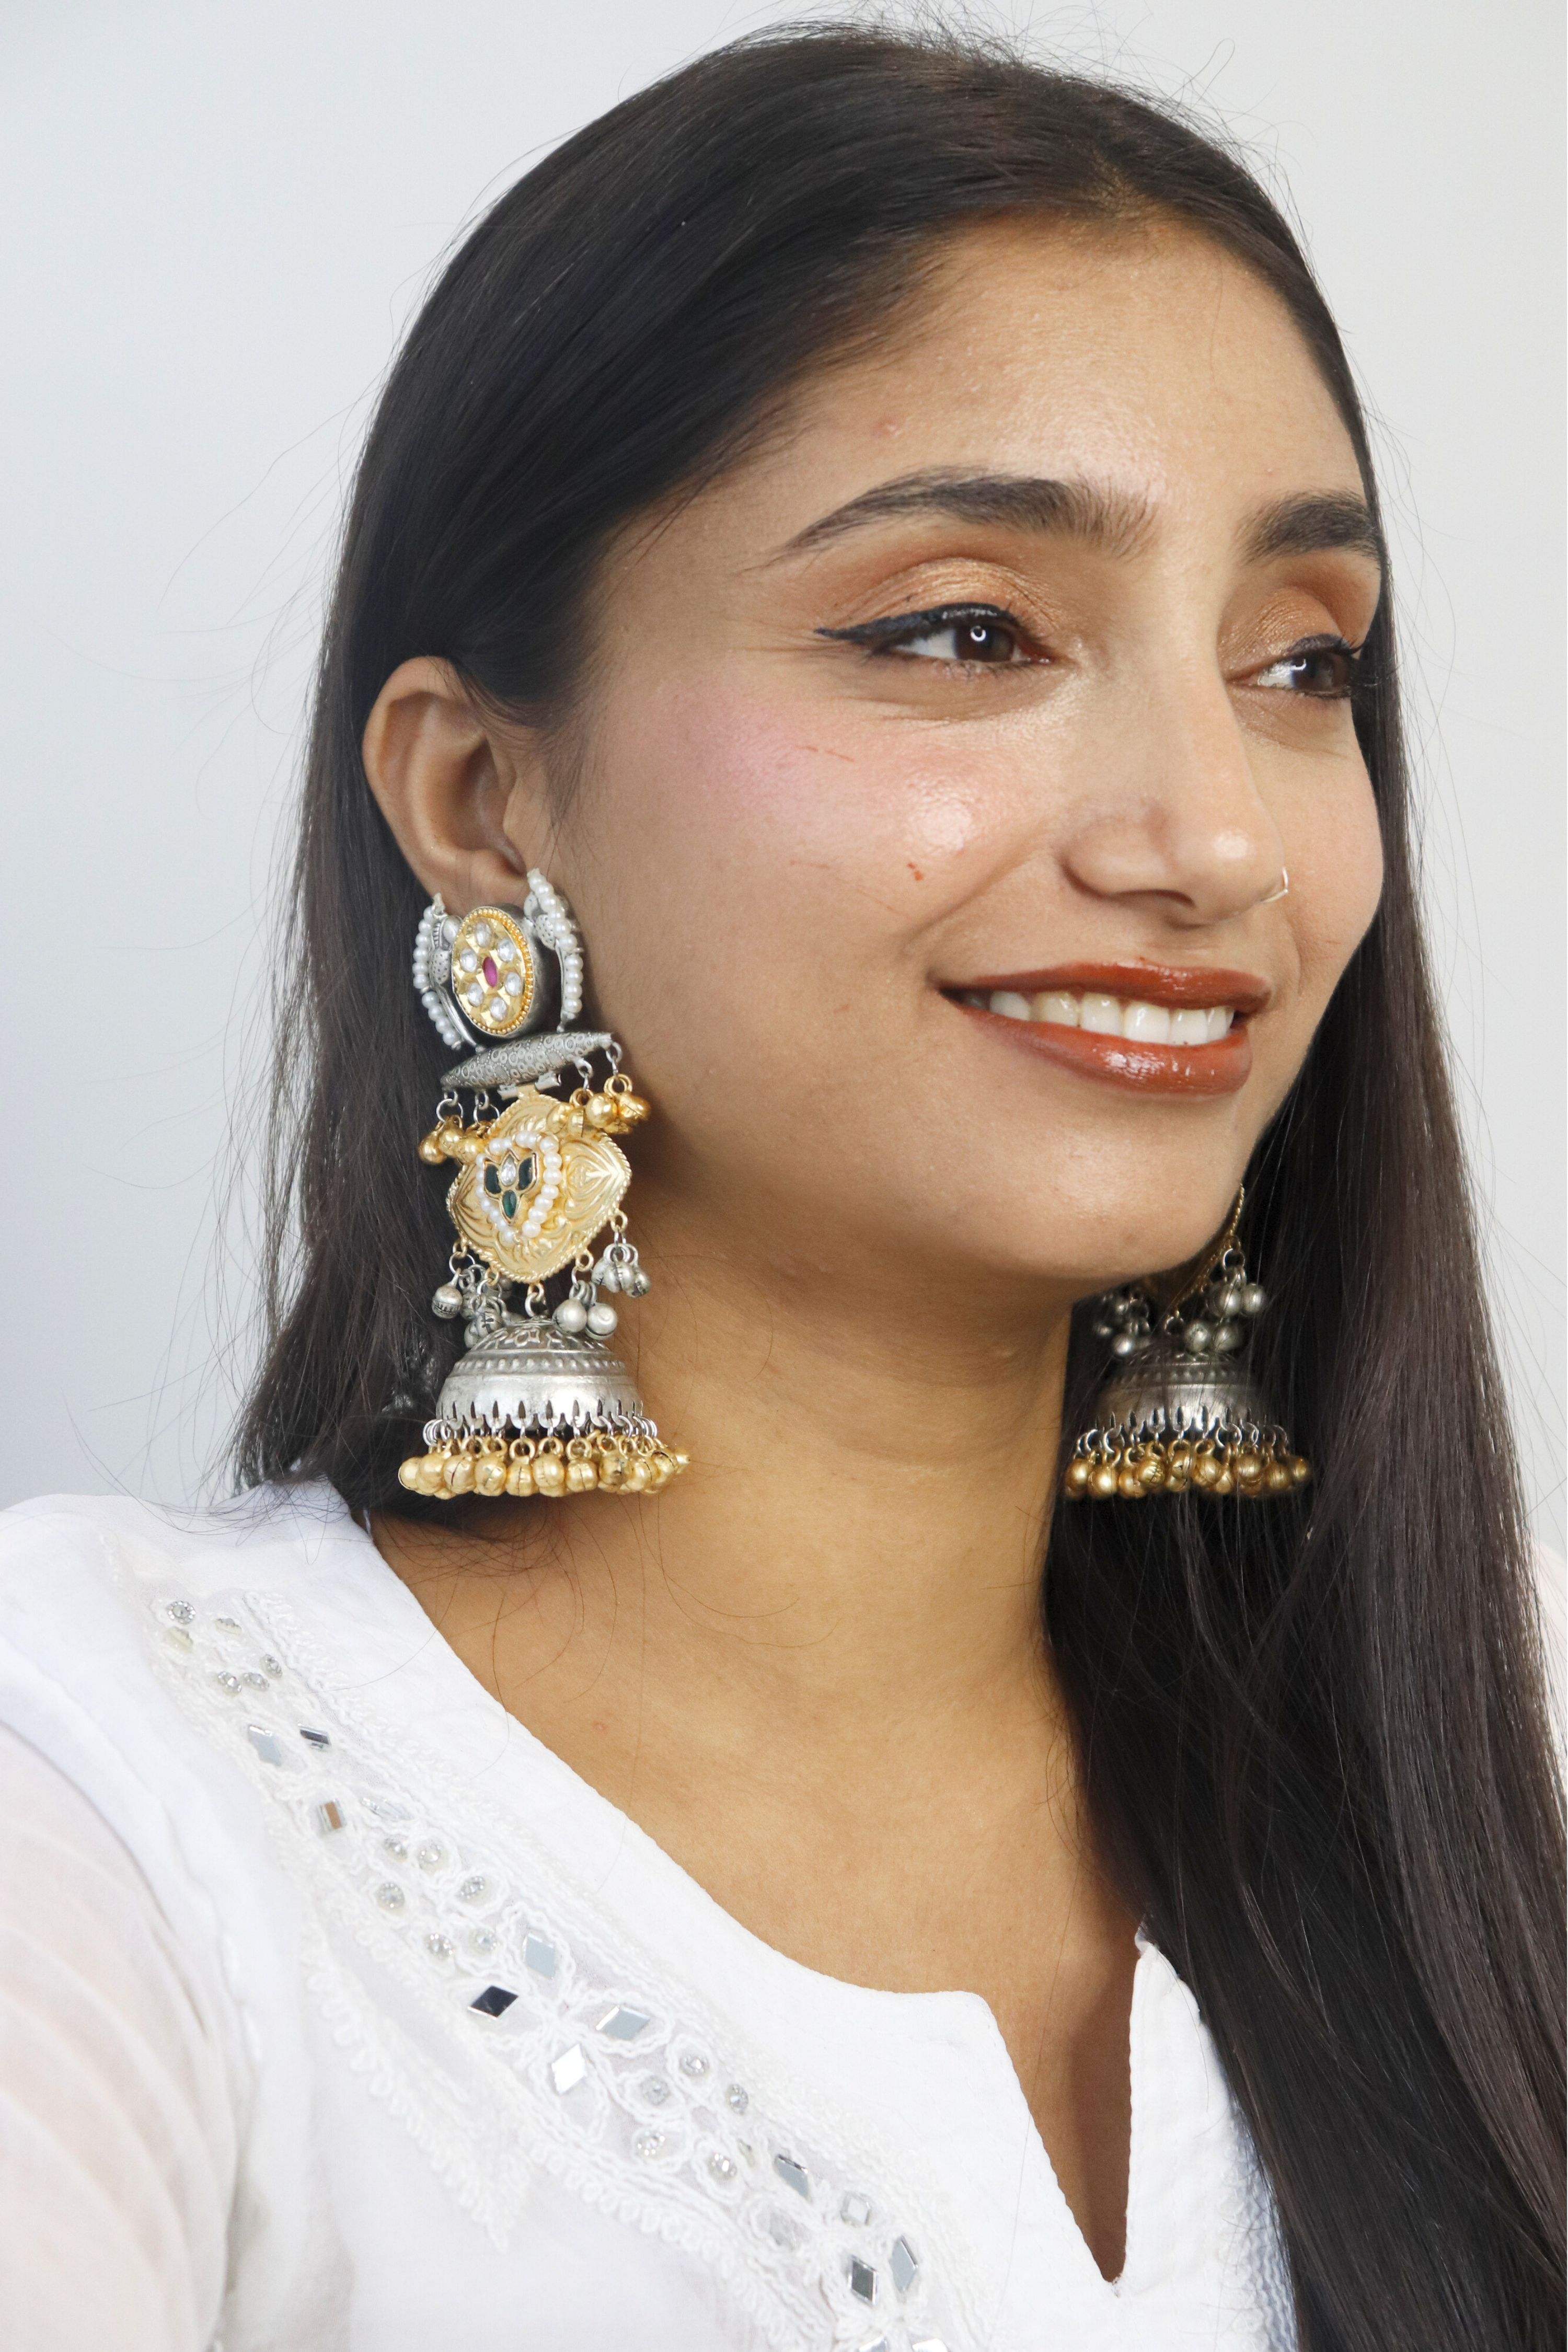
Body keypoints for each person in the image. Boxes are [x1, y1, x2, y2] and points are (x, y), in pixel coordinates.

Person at [0, 26, 1560, 2351]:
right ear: (483, 798)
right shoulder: (110, 1794)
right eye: (967, 631)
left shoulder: (1473, 1831)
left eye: (1301, 661)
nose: (1216, 835)